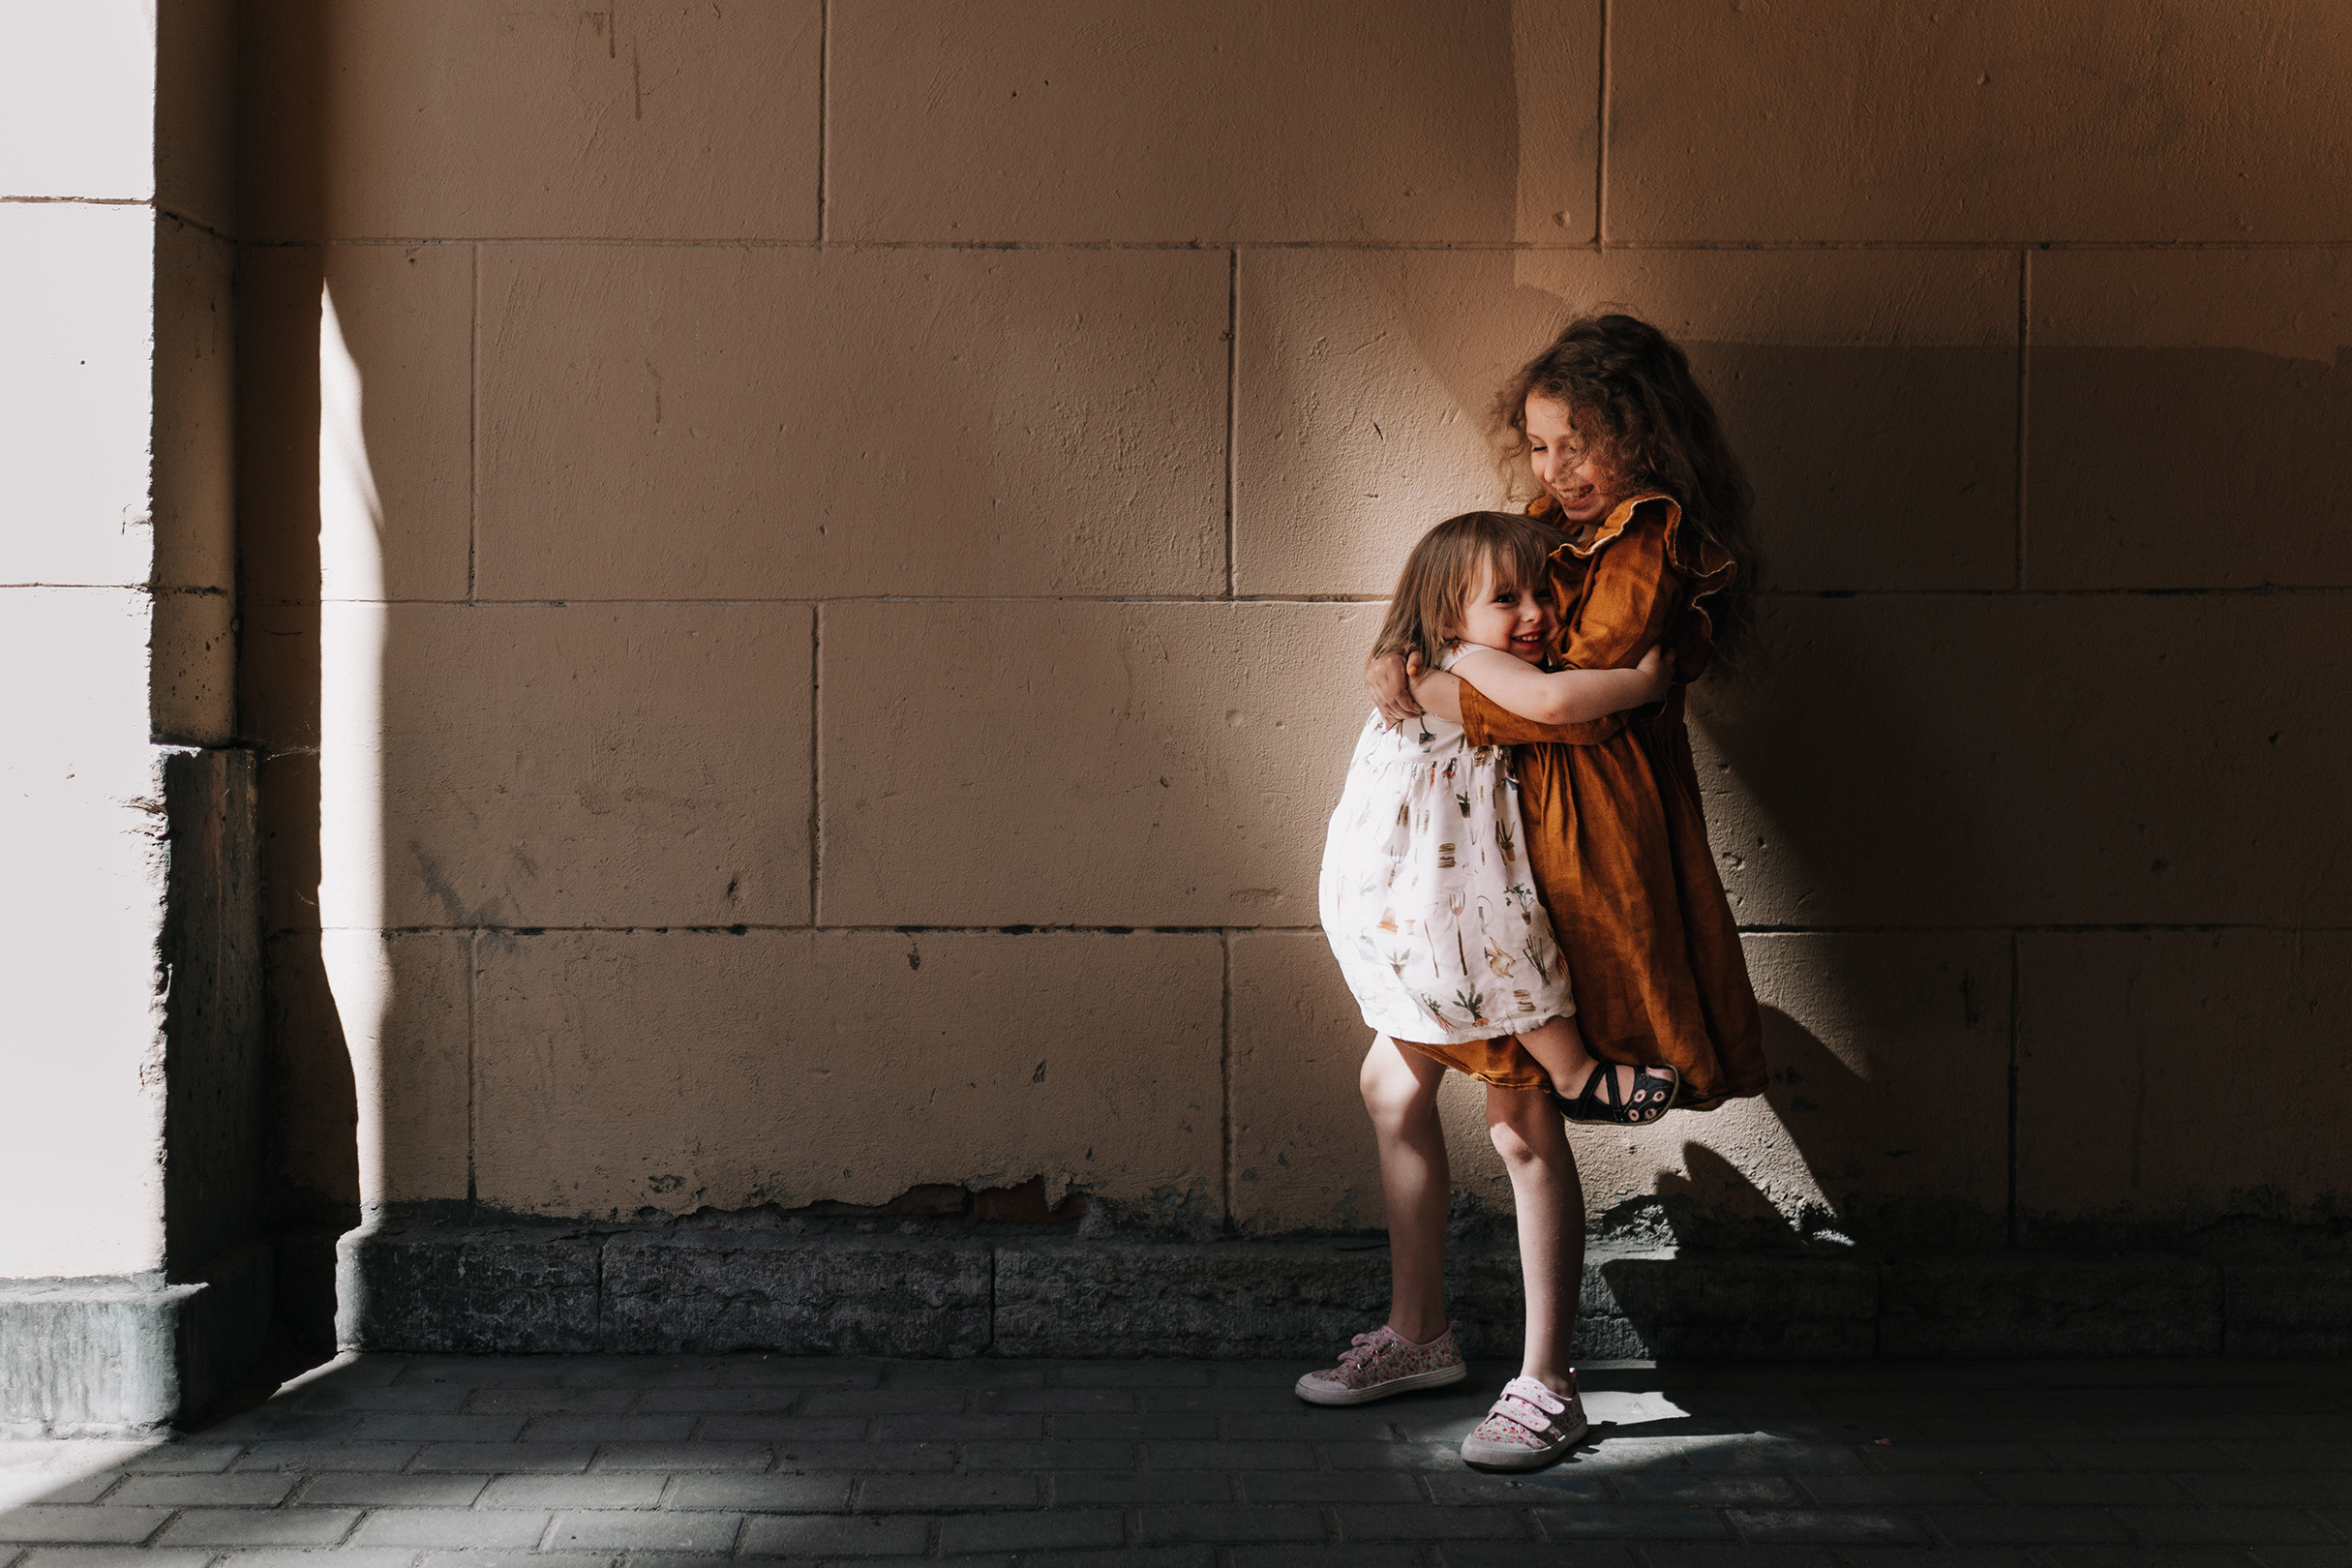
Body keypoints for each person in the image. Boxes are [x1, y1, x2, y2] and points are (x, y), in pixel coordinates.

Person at [1299, 314, 1769, 1472]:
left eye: (1575, 448)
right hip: (1481, 846)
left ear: (1642, 438)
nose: (1552, 472)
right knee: (1389, 1077)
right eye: (1541, 448)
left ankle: (1546, 1379)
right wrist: (1407, 661)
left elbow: (1565, 694)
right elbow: (1468, 617)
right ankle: (1421, 1333)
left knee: (1520, 1114)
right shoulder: (1558, 534)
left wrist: (1443, 685)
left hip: (1560, 840)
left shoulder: (1650, 539)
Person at [1316, 508, 1682, 1129]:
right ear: (1444, 616)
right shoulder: (1462, 661)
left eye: (1545, 593)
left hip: (1379, 881)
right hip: (1437, 878)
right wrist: (1644, 685)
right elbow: (1552, 701)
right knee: (1508, 943)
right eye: (1507, 599)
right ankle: (1579, 1077)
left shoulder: (1421, 660)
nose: (1536, 613)